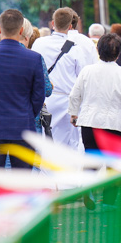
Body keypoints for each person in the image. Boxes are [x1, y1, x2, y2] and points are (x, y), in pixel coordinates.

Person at [69, 34, 121, 210]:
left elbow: (74, 94)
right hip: (115, 123)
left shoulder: (87, 71)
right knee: (113, 161)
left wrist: (73, 114)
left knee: (92, 156)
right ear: (118, 54)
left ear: (98, 50)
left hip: (90, 120)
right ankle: (109, 200)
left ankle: (87, 187)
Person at [0, 10, 51, 170]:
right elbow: (38, 95)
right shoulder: (33, 58)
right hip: (22, 124)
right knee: (21, 183)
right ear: (22, 30)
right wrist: (28, 113)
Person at [33, 8, 93, 151]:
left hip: (44, 100)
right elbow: (82, 77)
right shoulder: (76, 48)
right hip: (67, 101)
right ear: (71, 26)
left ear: (53, 23)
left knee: (45, 143)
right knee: (68, 144)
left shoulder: (39, 43)